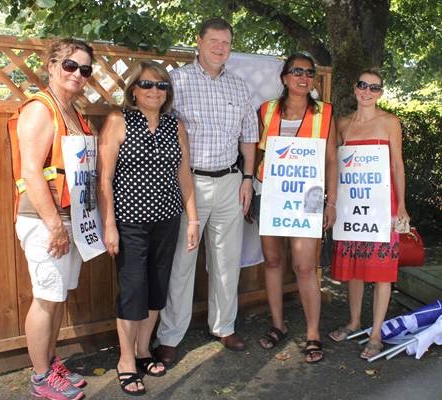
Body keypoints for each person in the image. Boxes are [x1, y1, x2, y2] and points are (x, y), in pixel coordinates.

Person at [155, 17, 259, 365]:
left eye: (226, 43)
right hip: (188, 184)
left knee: (227, 261)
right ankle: (170, 335)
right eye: (214, 41)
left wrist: (247, 178)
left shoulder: (240, 87)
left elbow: (249, 138)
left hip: (230, 182)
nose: (220, 48)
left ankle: (224, 326)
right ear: (198, 41)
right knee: (181, 263)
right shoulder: (176, 82)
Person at [98, 61, 198, 396]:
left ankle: (143, 349)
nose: (155, 91)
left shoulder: (175, 126)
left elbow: (184, 175)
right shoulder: (118, 121)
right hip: (129, 224)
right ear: (133, 90)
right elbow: (105, 179)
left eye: (162, 86)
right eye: (148, 85)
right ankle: (126, 361)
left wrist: (192, 219)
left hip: (167, 220)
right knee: (132, 290)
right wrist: (109, 224)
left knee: (157, 288)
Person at [8, 38, 95, 400]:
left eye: (85, 69)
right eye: (70, 65)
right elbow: (31, 171)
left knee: (56, 297)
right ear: (52, 66)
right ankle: (40, 375)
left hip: (69, 218)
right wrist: (55, 225)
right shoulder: (41, 109)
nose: (78, 74)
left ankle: (50, 362)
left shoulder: (72, 112)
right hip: (46, 220)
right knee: (45, 299)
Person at [254, 53, 337, 363]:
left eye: (309, 72)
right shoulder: (266, 110)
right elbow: (255, 153)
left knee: (304, 266)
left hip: (309, 197)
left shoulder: (325, 113)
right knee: (273, 261)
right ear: (285, 77)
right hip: (271, 193)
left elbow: (330, 160)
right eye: (297, 71)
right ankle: (278, 325)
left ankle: (313, 333)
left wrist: (332, 201)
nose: (304, 77)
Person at [328, 69, 409, 359]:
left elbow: (398, 166)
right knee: (354, 265)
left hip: (382, 205)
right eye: (362, 85)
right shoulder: (343, 124)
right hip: (352, 206)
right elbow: (335, 164)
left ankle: (375, 333)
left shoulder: (389, 122)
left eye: (374, 87)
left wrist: (401, 205)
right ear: (354, 87)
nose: (367, 91)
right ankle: (353, 321)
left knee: (382, 270)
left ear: (380, 93)